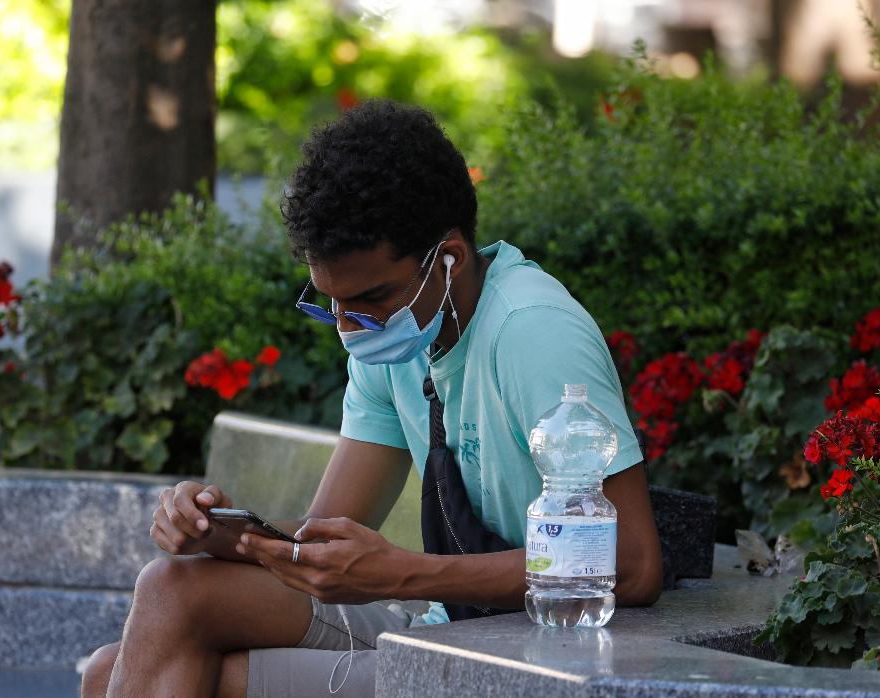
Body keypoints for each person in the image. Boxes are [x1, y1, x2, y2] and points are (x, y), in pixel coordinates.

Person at [80, 99, 663, 698]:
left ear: (450, 258)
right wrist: (225, 532)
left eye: (371, 298)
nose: (351, 326)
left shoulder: (533, 331)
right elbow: (329, 532)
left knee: (136, 679)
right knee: (167, 592)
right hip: (447, 618)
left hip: (535, 645)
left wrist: (409, 573)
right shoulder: (400, 336)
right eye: (332, 304)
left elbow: (635, 565)